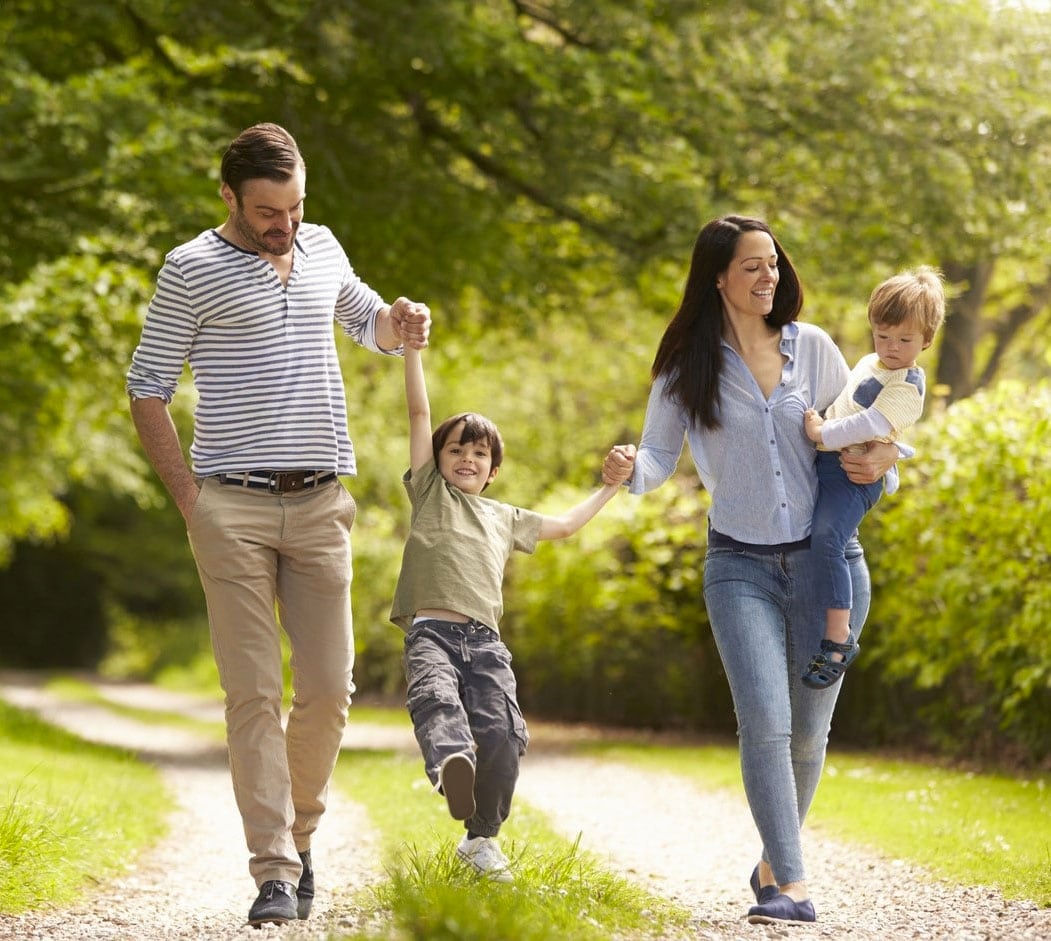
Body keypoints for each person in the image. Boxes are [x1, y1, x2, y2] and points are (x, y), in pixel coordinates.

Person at [125, 122, 431, 927]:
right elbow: (146, 385)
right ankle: (272, 868)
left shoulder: (321, 245)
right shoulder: (190, 268)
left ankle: (300, 836)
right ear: (228, 196)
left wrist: (402, 318)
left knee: (329, 688)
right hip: (230, 506)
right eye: (266, 211)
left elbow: (371, 324)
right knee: (253, 691)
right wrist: (190, 500)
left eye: (293, 207)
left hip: (323, 501)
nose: (284, 224)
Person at [602, 215, 903, 925]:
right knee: (765, 724)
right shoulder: (686, 367)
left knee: (806, 736)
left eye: (772, 263)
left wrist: (886, 463)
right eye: (751, 266)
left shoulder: (814, 349)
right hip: (739, 566)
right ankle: (792, 884)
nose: (768, 277)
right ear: (717, 277)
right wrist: (626, 468)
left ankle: (771, 863)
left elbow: (867, 435)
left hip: (829, 567)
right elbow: (656, 459)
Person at [390, 343, 621, 883]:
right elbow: (419, 413)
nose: (466, 459)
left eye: (478, 454)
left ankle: (480, 840)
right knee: (436, 700)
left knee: (502, 735)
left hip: (486, 644)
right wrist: (412, 351)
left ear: (493, 469)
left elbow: (566, 525)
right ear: (437, 459)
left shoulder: (506, 517)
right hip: (432, 635)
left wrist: (610, 486)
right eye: (455, 450)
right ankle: (451, 764)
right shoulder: (430, 493)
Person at [801, 266, 945, 689]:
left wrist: (821, 433)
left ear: (927, 340)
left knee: (828, 537)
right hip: (830, 463)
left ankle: (838, 637)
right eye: (883, 336)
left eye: (905, 340)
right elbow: (844, 402)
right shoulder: (869, 363)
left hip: (854, 476)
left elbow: (869, 424)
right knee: (817, 535)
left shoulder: (907, 386)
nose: (892, 347)